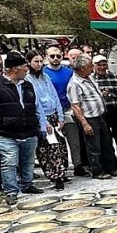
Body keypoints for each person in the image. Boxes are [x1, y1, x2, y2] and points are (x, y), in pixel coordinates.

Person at [0, 52, 49, 205]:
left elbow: (38, 107)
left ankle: (27, 184)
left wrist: (42, 126)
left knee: (28, 160)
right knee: (9, 162)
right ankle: (11, 191)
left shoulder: (28, 84)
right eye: (24, 67)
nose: (27, 69)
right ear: (15, 68)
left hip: (29, 130)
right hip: (6, 132)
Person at [68, 55, 117, 180]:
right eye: (90, 66)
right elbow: (75, 106)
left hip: (100, 115)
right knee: (94, 146)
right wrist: (85, 123)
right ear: (82, 68)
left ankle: (110, 168)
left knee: (106, 143)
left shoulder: (89, 78)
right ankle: (97, 171)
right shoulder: (74, 83)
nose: (92, 68)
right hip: (89, 118)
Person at [22, 51, 67, 190]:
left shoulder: (46, 77)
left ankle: (62, 172)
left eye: (41, 61)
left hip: (54, 113)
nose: (39, 64)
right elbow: (35, 103)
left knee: (61, 147)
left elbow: (54, 96)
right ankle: (56, 176)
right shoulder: (27, 80)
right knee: (49, 148)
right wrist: (43, 122)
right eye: (36, 61)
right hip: (42, 117)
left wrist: (60, 116)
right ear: (29, 63)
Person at [43, 46, 85, 177]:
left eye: (58, 56)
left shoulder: (69, 72)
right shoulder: (44, 73)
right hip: (52, 112)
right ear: (47, 57)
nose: (55, 59)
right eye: (52, 56)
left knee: (74, 140)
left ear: (62, 56)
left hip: (68, 109)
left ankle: (78, 164)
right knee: (56, 143)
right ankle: (61, 167)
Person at [92, 56, 117, 173]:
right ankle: (111, 163)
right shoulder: (91, 80)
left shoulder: (114, 78)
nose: (102, 67)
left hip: (116, 110)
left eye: (104, 65)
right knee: (106, 139)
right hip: (101, 112)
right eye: (99, 65)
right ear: (94, 66)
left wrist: (110, 95)